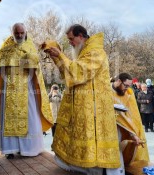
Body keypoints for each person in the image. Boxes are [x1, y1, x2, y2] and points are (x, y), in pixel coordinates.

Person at [46, 24, 121, 174]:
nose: (70, 42)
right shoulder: (84, 53)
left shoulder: (96, 52)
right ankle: (77, 165)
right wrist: (56, 57)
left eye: (71, 39)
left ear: (81, 36)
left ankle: (92, 168)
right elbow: (69, 75)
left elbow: (78, 73)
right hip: (81, 105)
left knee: (90, 139)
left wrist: (60, 55)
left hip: (93, 107)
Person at [0, 23, 53, 159]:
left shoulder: (30, 47)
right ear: (12, 32)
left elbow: (35, 68)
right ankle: (10, 149)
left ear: (25, 32)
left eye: (21, 33)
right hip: (9, 89)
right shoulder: (6, 48)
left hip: (27, 88)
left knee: (30, 116)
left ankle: (29, 149)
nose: (19, 35)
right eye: (16, 33)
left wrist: (30, 61)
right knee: (8, 118)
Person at [112, 73, 150, 173]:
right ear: (119, 81)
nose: (127, 88)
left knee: (118, 153)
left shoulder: (128, 93)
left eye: (129, 86)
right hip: (107, 129)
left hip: (122, 129)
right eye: (126, 85)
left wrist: (134, 133)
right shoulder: (106, 91)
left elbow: (131, 115)